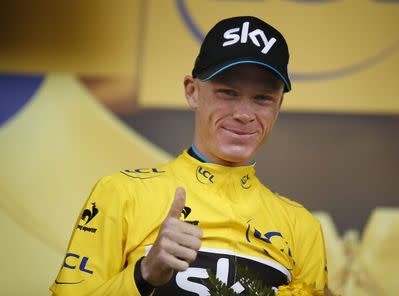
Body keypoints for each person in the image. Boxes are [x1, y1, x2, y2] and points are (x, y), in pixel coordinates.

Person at [50, 16, 328, 295]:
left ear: (278, 105)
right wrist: (144, 273)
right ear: (192, 91)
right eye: (228, 93)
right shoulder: (121, 194)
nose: (244, 114)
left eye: (263, 98)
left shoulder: (302, 228)